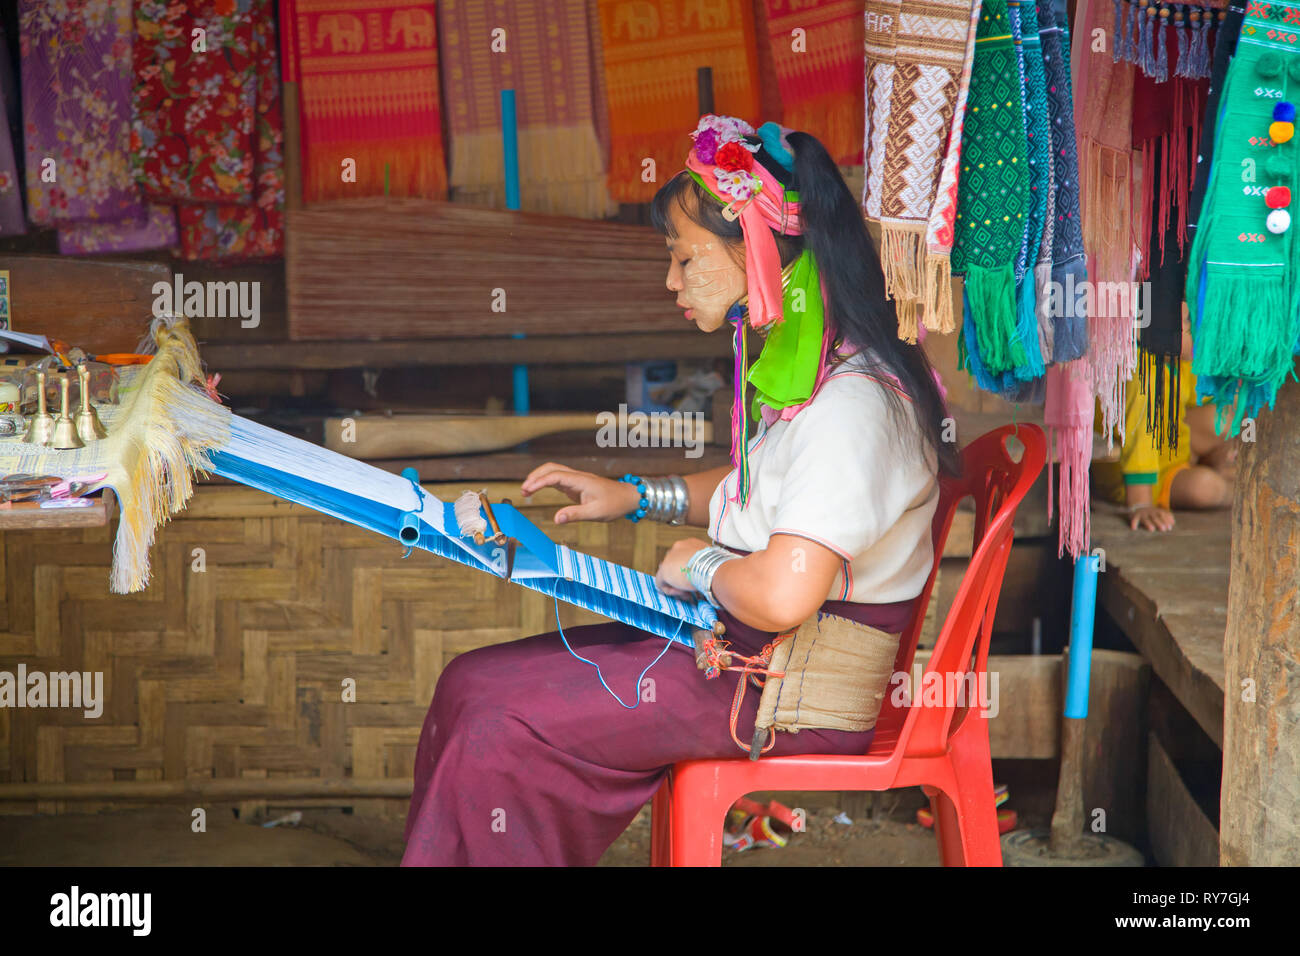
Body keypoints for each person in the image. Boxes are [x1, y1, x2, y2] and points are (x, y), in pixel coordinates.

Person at [401, 116, 960, 866]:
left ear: (758, 251)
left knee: (498, 720)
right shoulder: (826, 372)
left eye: (683, 258)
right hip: (734, 655)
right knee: (470, 681)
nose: (671, 282)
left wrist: (696, 565)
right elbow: (759, 493)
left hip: (778, 693)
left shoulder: (853, 408)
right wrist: (634, 496)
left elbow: (782, 597)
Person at [1092, 304, 1237, 532]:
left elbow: (1211, 405)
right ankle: (1236, 492)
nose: (1199, 329)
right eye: (1188, 322)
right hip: (1136, 475)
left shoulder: (1182, 361)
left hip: (1175, 451)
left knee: (1226, 416)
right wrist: (1141, 503)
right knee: (1205, 489)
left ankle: (1219, 467)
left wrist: (1222, 451)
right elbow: (1140, 441)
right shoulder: (1139, 372)